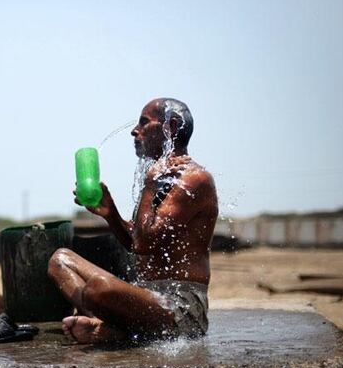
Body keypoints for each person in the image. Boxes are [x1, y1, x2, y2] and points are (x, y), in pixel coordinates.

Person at [48, 98, 218, 343]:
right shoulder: (162, 176)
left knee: (100, 287)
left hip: (180, 307)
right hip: (147, 297)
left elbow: (144, 243)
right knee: (60, 261)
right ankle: (108, 325)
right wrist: (111, 213)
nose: (134, 131)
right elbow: (138, 242)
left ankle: (113, 330)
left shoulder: (194, 179)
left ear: (170, 127)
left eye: (144, 123)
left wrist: (150, 183)